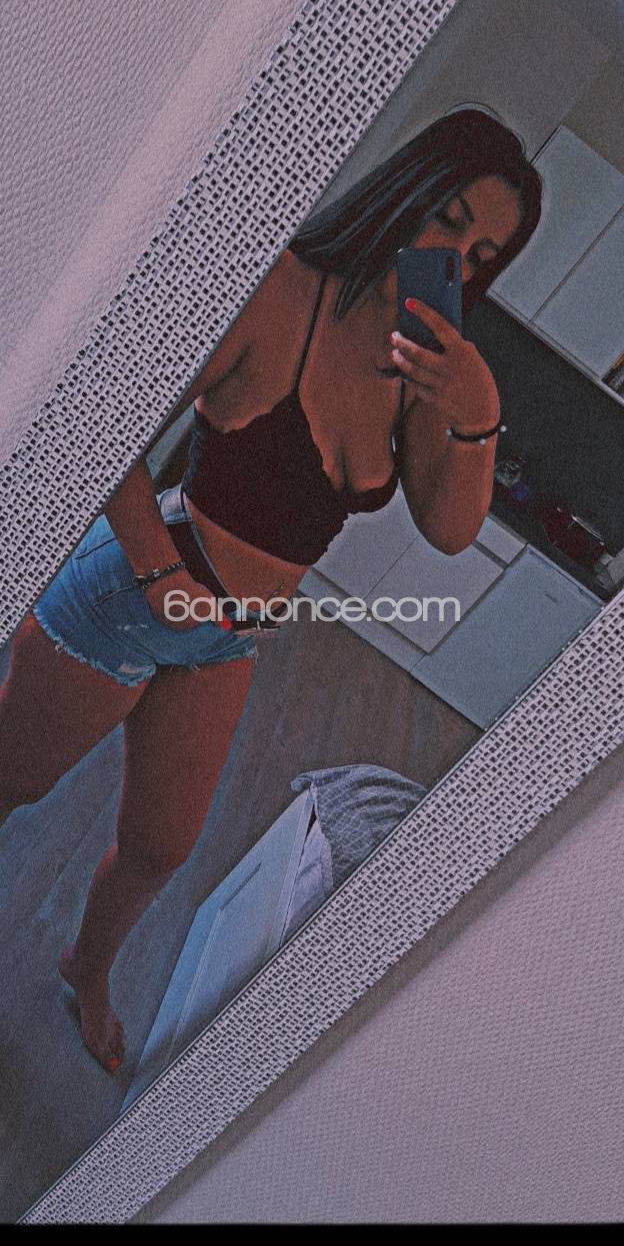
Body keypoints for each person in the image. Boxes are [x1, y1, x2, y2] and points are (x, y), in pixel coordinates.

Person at [0, 107, 542, 1073]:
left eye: (482, 256)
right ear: (407, 192)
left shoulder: (421, 372)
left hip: (225, 636)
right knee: (13, 783)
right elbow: (108, 423)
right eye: (449, 220)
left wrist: (478, 411)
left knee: (161, 847)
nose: (455, 260)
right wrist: (162, 579)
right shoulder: (279, 288)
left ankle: (88, 968)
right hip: (132, 591)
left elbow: (450, 529)